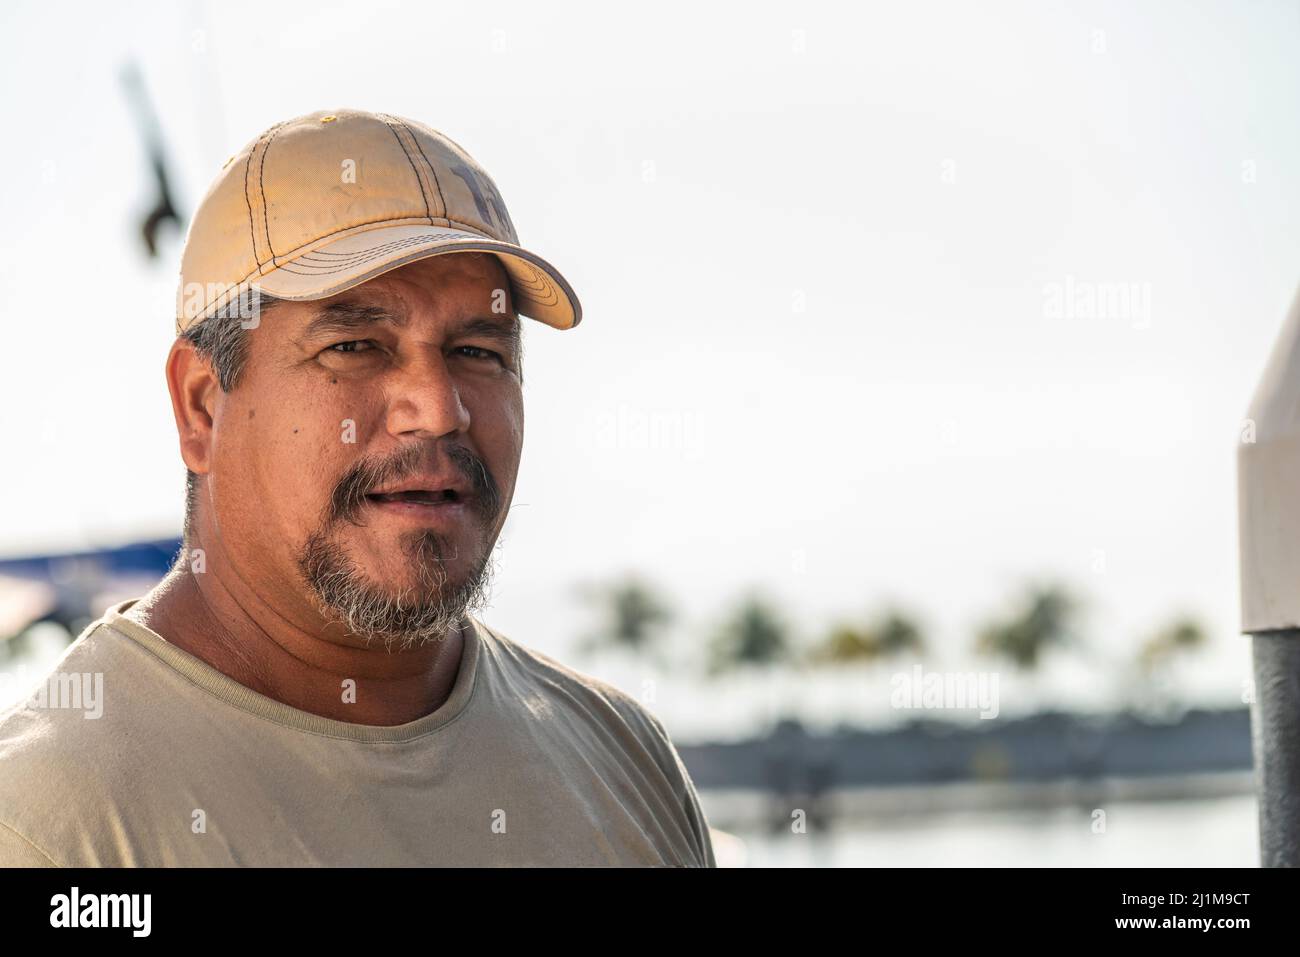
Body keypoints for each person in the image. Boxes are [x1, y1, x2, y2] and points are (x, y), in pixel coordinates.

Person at [0, 109, 716, 867]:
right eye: (354, 346)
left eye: (478, 350)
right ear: (203, 406)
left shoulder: (626, 763)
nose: (438, 408)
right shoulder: (50, 827)